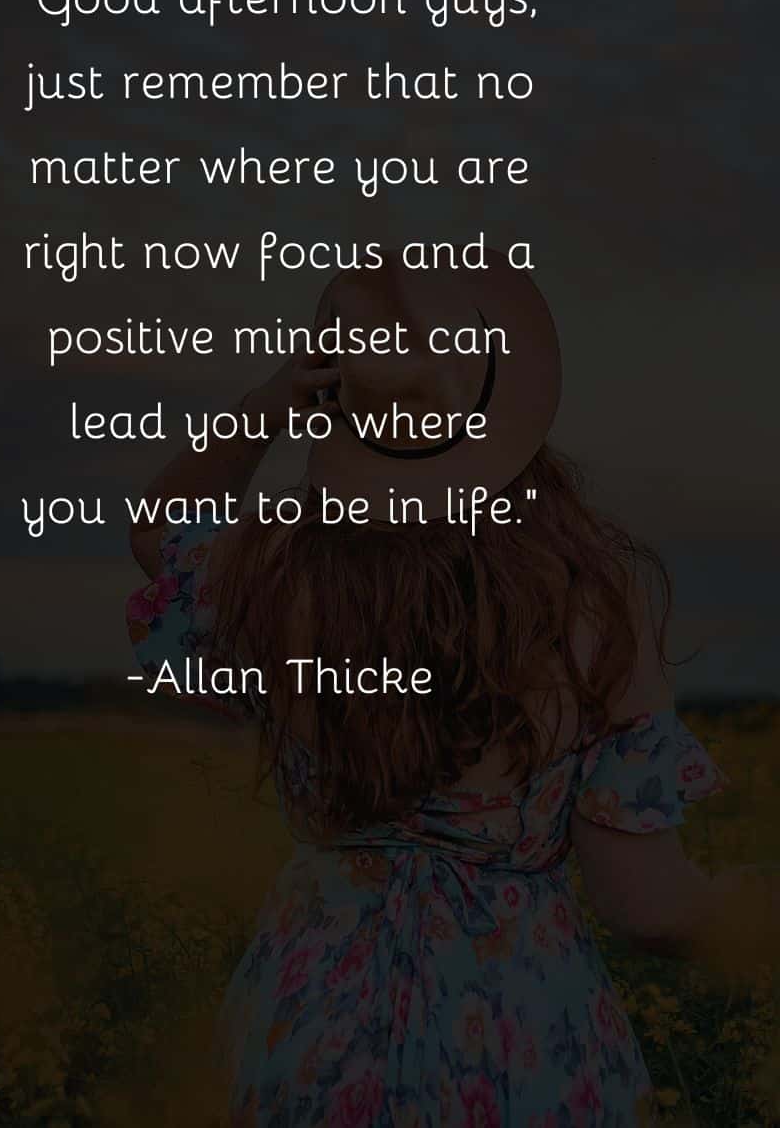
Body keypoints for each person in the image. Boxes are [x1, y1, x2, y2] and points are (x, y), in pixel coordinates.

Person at [126, 255, 734, 1126]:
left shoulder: (267, 585)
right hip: (526, 1042)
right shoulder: (594, 610)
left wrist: (275, 401)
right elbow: (650, 908)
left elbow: (159, 531)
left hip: (307, 1038)